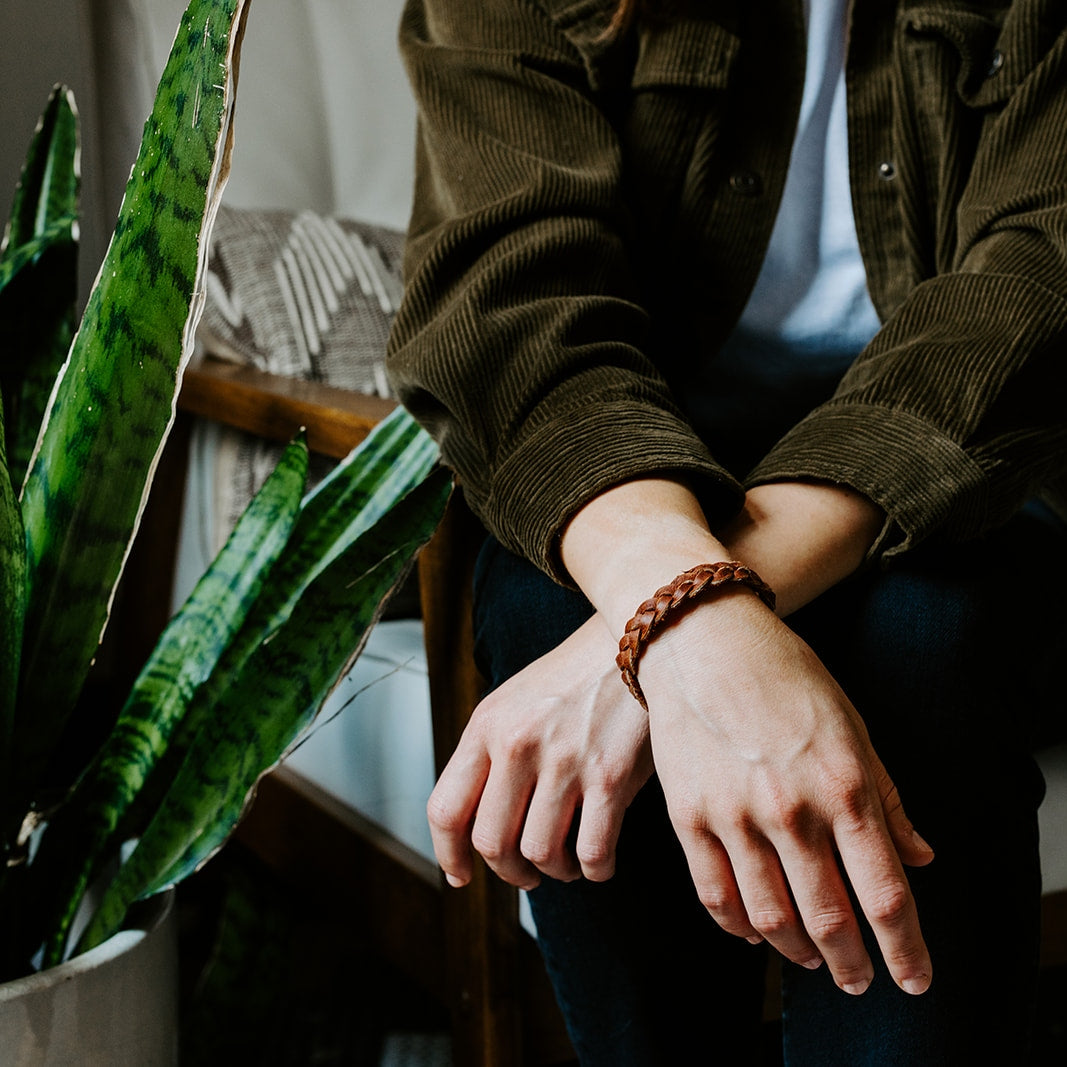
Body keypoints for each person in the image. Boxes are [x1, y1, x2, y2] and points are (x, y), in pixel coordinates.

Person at [386, 0, 1067, 1062]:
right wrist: (690, 614)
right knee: (539, 608)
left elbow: (1032, 291)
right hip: (641, 468)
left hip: (964, 478)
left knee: (929, 633)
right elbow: (510, 298)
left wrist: (661, 626)